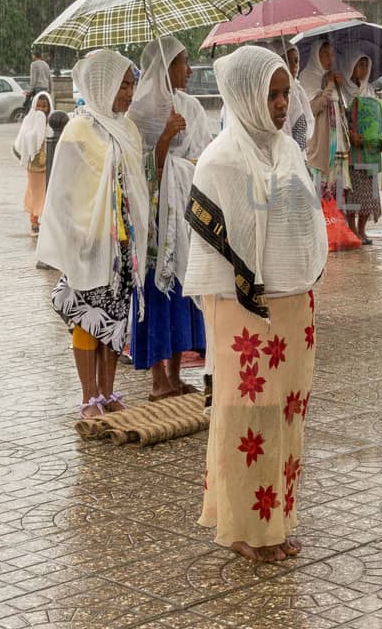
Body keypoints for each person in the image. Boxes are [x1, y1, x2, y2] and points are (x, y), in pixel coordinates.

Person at [183, 46, 326, 564]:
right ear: (244, 96)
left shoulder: (286, 150)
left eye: (286, 93)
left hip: (292, 306)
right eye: (272, 93)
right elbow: (219, 248)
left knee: (286, 414)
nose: (283, 103)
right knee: (248, 414)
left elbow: (304, 224)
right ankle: (244, 529)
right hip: (242, 307)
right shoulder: (220, 159)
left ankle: (276, 518)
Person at [38, 49, 148, 419]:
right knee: (88, 317)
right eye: (124, 86)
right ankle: (89, 397)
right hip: (87, 240)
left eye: (132, 85)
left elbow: (135, 181)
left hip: (121, 242)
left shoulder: (128, 128)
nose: (129, 94)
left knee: (115, 317)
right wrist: (74, 236)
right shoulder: (77, 128)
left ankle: (108, 391)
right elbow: (63, 189)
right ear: (103, 85)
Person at [127, 38, 213, 401]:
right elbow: (139, 170)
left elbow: (204, 155)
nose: (189, 71)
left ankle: (176, 373)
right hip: (155, 220)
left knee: (183, 291)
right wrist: (163, 139)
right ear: (164, 68)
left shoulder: (191, 107)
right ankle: (158, 379)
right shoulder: (140, 114)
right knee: (157, 291)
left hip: (185, 213)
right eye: (182, 63)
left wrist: (191, 168)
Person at [342, 53, 382, 244]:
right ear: (352, 66)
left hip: (370, 151)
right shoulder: (344, 90)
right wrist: (350, 134)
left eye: (366, 65)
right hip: (353, 150)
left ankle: (362, 229)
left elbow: (378, 117)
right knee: (354, 192)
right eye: (360, 64)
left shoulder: (369, 91)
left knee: (369, 192)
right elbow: (341, 119)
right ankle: (351, 229)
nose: (364, 69)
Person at [301, 40, 350, 198]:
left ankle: (334, 220)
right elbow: (313, 108)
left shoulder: (332, 77)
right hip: (320, 142)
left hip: (337, 142)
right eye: (325, 55)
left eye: (332, 55)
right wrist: (329, 85)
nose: (330, 59)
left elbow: (342, 107)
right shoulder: (308, 77)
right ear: (316, 56)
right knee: (320, 188)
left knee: (336, 187)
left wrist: (339, 85)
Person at [15, 92, 54, 235]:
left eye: (44, 106)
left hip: (49, 164)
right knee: (34, 192)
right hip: (34, 165)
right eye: (38, 105)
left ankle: (44, 221)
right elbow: (24, 139)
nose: (41, 109)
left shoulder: (53, 120)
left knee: (46, 193)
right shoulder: (28, 120)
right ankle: (34, 221)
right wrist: (37, 128)